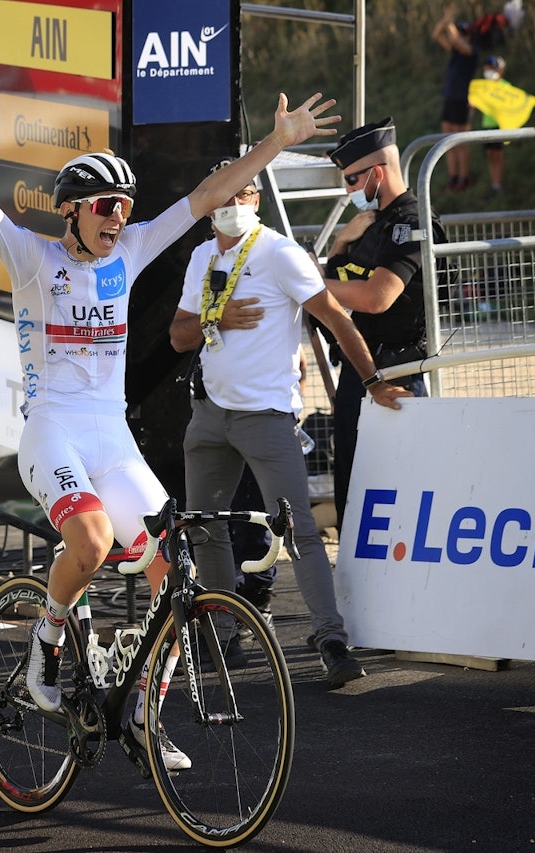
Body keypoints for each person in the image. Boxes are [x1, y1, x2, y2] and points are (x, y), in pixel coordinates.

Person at [0, 85, 340, 766]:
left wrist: (276, 144)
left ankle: (145, 709)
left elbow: (210, 196)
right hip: (51, 433)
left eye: (123, 208)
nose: (117, 219)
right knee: (90, 542)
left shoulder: (131, 251)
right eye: (103, 208)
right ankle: (45, 644)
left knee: (173, 573)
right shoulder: (37, 259)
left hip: (111, 437)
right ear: (71, 211)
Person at [169, 161, 409, 690]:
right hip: (209, 414)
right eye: (226, 194)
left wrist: (372, 382)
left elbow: (336, 318)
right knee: (206, 529)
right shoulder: (202, 256)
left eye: (246, 192)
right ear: (210, 203)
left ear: (258, 199)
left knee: (298, 529)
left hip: (267, 418)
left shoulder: (278, 252)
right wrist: (218, 317)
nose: (235, 203)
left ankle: (330, 640)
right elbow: (178, 336)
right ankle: (223, 636)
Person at [322, 118, 437, 528]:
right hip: (360, 368)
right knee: (353, 490)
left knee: (401, 492)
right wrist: (339, 243)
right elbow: (342, 280)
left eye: (352, 179)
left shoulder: (413, 221)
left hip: (400, 371)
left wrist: (314, 285)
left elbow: (377, 296)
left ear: (376, 172)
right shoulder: (366, 225)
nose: (348, 189)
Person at [432, 5, 479, 192]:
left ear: (467, 36)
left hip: (462, 101)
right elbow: (436, 35)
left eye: (461, 33)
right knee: (447, 140)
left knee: (460, 143)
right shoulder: (456, 52)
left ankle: (464, 178)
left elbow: (454, 38)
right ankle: (453, 178)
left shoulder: (471, 53)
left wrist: (449, 22)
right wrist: (446, 19)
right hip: (450, 99)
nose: (456, 36)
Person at [477, 55, 510, 193]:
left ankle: (499, 183)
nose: (488, 71)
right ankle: (494, 184)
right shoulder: (484, 86)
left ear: (499, 69)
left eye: (491, 68)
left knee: (498, 154)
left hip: (499, 126)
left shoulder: (505, 86)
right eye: (486, 68)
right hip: (486, 125)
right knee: (490, 155)